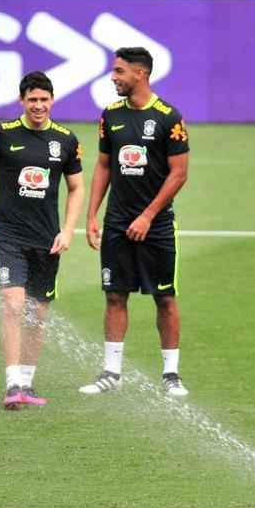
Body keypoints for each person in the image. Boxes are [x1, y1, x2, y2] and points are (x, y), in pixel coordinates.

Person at [79, 46, 191, 398]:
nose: (114, 77)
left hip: (155, 225)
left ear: (140, 74)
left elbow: (179, 174)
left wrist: (147, 215)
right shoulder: (110, 115)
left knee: (165, 298)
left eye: (119, 71)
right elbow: (103, 166)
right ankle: (112, 373)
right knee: (114, 295)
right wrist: (92, 214)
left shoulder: (168, 117)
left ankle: (171, 375)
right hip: (116, 223)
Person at [0, 70, 84, 410]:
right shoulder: (2, 134)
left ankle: (28, 384)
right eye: (32, 99)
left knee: (37, 314)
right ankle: (12, 385)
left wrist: (68, 229)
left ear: (52, 100)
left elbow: (76, 187)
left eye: (44, 99)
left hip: (47, 241)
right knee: (13, 305)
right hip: (8, 235)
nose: (38, 105)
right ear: (22, 101)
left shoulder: (66, 140)